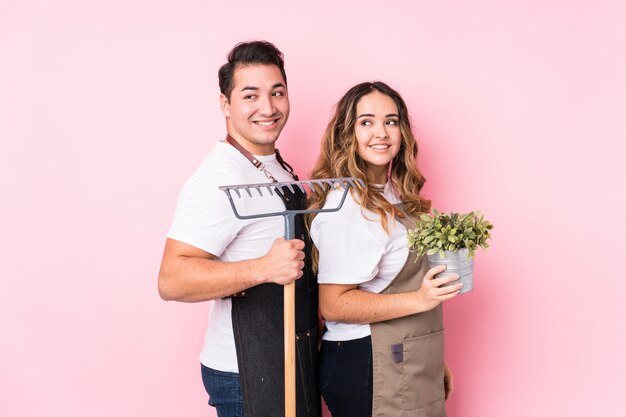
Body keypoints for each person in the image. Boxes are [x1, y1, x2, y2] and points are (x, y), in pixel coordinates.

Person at [158, 41, 321, 417]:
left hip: (287, 358)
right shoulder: (219, 177)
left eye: (276, 92)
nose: (268, 108)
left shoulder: (275, 165)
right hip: (245, 371)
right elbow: (171, 278)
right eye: (251, 96)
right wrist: (262, 268)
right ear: (225, 104)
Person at [307, 81, 461, 417]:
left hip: (408, 356)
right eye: (366, 122)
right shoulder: (346, 207)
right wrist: (421, 299)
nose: (381, 132)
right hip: (369, 362)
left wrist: (432, 358)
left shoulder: (393, 192)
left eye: (391, 121)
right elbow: (334, 305)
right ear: (346, 134)